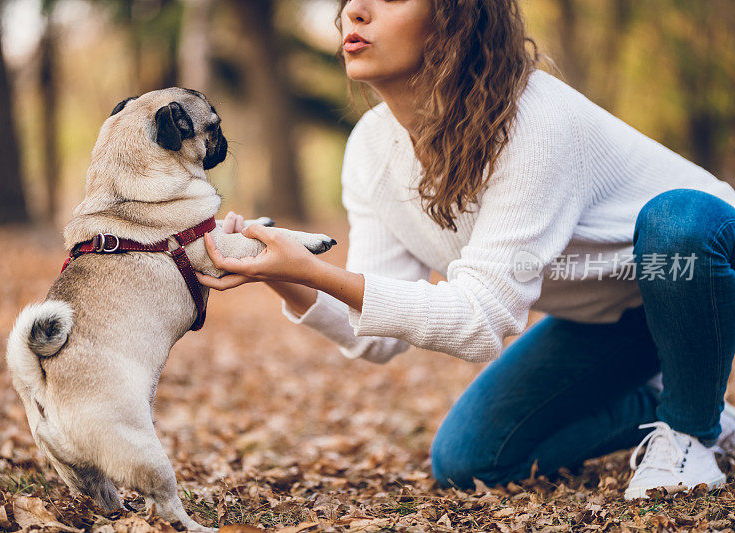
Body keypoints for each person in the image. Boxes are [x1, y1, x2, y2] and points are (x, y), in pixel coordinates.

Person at [197, 0, 735, 499]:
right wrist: (286, 272)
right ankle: (691, 404)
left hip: (704, 272)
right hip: (615, 316)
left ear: (453, 18)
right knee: (470, 460)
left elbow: (483, 318)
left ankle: (691, 431)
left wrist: (314, 270)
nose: (353, 11)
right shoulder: (370, 149)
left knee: (680, 220)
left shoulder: (533, 119)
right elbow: (378, 337)